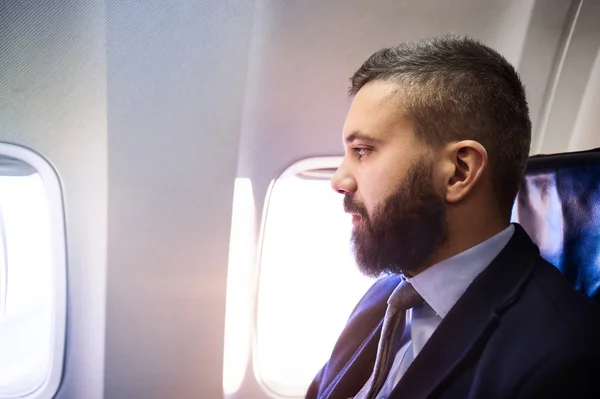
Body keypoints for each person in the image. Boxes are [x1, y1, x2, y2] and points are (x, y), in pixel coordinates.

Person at [306, 34, 600, 399]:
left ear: (459, 171)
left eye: (363, 151)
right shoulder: (384, 296)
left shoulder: (564, 360)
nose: (339, 180)